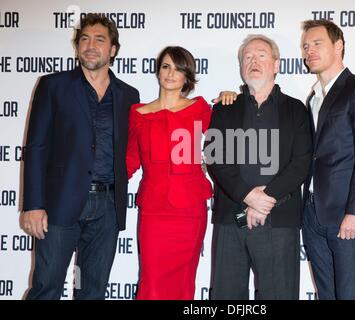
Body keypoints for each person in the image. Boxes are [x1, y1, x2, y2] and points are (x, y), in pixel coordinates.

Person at [22, 13, 140, 299]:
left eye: (99, 40)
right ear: (76, 47)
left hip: (108, 208)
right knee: (46, 287)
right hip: (60, 203)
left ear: (113, 50)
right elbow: (36, 147)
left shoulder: (129, 95)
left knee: (92, 292)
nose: (90, 45)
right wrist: (33, 204)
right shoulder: (53, 86)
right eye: (84, 39)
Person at [206, 34, 312, 300]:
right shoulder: (224, 109)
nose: (253, 61)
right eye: (247, 57)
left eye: (261, 55)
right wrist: (248, 195)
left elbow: (301, 164)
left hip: (280, 221)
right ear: (241, 67)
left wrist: (265, 199)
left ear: (276, 65)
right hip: (231, 219)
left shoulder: (297, 110)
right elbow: (215, 159)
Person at [126, 46, 219, 300]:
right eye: (166, 66)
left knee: (183, 284)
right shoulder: (138, 113)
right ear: (158, 72)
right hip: (154, 211)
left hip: (189, 211)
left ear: (187, 77)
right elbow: (130, 160)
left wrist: (234, 97)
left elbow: (222, 148)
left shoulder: (201, 110)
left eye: (178, 68)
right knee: (151, 284)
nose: (170, 73)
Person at [300, 19, 355, 300]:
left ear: (339, 46)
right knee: (327, 295)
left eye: (317, 43)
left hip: (346, 214)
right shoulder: (312, 98)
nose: (309, 50)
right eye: (305, 46)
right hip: (312, 214)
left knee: (352, 295)